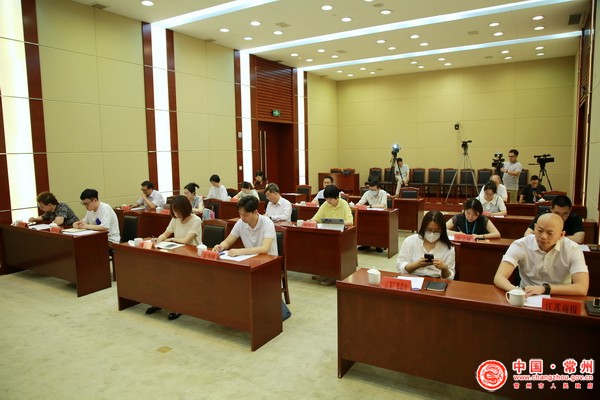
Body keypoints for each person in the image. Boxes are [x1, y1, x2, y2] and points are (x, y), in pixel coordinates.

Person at [494, 213, 589, 296]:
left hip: (560, 296)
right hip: (527, 295)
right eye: (540, 231)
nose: (543, 236)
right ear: (535, 228)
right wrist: (516, 291)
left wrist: (544, 289)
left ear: (561, 235)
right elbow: (499, 277)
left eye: (550, 233)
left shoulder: (572, 249)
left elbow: (582, 288)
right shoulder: (521, 245)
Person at [146, 195, 203, 321]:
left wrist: (171, 239)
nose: (175, 214)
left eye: (177, 211)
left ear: (185, 209)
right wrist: (158, 240)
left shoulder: (196, 220)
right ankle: (159, 301)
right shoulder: (175, 219)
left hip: (192, 255)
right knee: (158, 272)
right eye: (174, 211)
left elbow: (185, 240)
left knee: (174, 275)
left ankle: (178, 306)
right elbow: (165, 233)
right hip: (177, 252)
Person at [310, 185, 354, 286]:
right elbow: (316, 218)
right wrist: (311, 221)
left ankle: (333, 276)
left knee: (330, 249)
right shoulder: (325, 204)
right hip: (327, 234)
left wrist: (338, 223)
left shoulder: (344, 204)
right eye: (326, 198)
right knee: (316, 246)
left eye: (330, 199)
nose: (328, 201)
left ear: (337, 197)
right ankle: (323, 272)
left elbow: (350, 222)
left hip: (340, 235)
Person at [397, 210, 455, 279]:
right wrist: (417, 264)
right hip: (413, 278)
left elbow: (450, 278)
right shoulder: (410, 241)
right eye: (429, 230)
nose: (432, 233)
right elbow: (400, 267)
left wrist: (444, 268)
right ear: (423, 227)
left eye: (437, 231)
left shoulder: (448, 248)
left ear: (442, 230)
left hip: (436, 280)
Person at [213, 196, 277, 256]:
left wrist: (240, 251)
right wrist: (221, 246)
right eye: (240, 214)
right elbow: (227, 242)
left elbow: (265, 249)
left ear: (255, 212)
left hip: (269, 259)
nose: (242, 217)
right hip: (251, 258)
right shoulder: (240, 222)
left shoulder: (267, 223)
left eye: (245, 215)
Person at [356, 180, 389, 252]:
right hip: (370, 214)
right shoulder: (367, 193)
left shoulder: (383, 193)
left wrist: (370, 206)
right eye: (370, 189)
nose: (371, 191)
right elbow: (360, 203)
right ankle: (365, 243)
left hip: (382, 216)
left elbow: (382, 205)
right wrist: (356, 205)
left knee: (378, 226)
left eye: (373, 190)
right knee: (364, 224)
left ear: (378, 189)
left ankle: (379, 245)